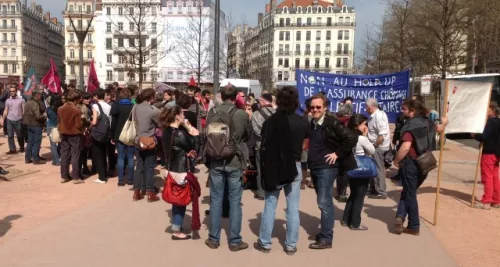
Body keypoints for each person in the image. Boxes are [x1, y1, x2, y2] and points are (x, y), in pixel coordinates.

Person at [253, 87, 309, 255]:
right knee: (293, 207)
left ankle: (265, 242)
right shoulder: (302, 121)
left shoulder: (271, 121)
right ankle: (291, 245)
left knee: (270, 205)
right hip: (295, 165)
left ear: (278, 101)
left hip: (274, 166)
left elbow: (264, 142)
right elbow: (305, 145)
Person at [307, 93, 357, 249]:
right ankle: (324, 232)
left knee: (324, 202)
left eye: (318, 107)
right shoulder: (312, 123)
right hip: (315, 167)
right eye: (312, 107)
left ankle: (327, 238)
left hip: (327, 168)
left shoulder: (331, 122)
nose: (315, 109)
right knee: (322, 202)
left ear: (325, 107)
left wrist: (337, 154)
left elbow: (351, 137)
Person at [393, 99, 448, 235]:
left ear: (412, 112)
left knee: (410, 194)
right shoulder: (428, 122)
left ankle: (414, 226)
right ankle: (400, 216)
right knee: (408, 191)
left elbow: (405, 147)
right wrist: (445, 122)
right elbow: (439, 128)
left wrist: (396, 160)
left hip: (411, 164)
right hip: (425, 163)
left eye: (404, 109)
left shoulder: (410, 127)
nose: (402, 111)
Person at [205, 84, 249, 252]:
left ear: (221, 96)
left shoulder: (212, 113)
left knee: (215, 200)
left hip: (215, 161)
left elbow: (206, 134)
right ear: (235, 97)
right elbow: (248, 135)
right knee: (235, 202)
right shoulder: (242, 114)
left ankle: (213, 239)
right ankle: (235, 241)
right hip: (235, 161)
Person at [161, 106, 200, 240]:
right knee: (181, 201)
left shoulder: (165, 131)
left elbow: (183, 148)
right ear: (177, 116)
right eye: (182, 114)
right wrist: (189, 128)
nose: (184, 116)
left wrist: (185, 151)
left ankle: (176, 226)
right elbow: (195, 145)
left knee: (177, 200)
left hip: (170, 167)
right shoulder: (179, 133)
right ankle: (176, 230)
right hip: (180, 169)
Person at [341, 114, 376, 230]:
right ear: (357, 125)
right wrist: (366, 136)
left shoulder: (346, 135)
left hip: (350, 166)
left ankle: (346, 219)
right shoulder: (361, 138)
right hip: (361, 168)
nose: (365, 126)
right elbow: (372, 150)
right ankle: (355, 223)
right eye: (364, 124)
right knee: (359, 196)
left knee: (353, 193)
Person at [133, 88, 161, 202]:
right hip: (149, 140)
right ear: (151, 97)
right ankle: (150, 193)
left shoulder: (135, 107)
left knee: (139, 167)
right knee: (149, 168)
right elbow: (160, 124)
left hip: (137, 139)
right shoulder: (153, 110)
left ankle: (137, 192)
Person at [472, 102, 500, 210]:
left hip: (489, 152)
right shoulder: (498, 121)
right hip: (497, 153)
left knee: (487, 177)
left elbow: (484, 136)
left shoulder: (491, 122)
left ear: (492, 109)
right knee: (494, 177)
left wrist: (475, 135)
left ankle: (487, 201)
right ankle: (496, 200)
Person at [251, 93, 276, 200]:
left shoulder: (256, 114)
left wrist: (263, 136)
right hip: (274, 145)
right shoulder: (278, 113)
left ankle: (261, 192)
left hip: (260, 145)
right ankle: (273, 190)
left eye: (260, 101)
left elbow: (255, 130)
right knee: (273, 168)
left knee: (261, 169)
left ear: (265, 101)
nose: (258, 103)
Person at [365, 98, 391, 199]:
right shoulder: (372, 117)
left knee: (378, 169)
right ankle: (373, 189)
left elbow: (382, 136)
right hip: (373, 145)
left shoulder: (379, 116)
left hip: (378, 147)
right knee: (373, 168)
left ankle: (381, 191)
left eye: (366, 107)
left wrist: (374, 146)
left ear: (370, 107)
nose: (365, 109)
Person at [110, 88, 135, 187]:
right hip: (131, 135)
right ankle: (130, 179)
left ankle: (120, 180)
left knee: (120, 157)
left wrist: (112, 135)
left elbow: (113, 123)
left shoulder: (116, 106)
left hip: (119, 134)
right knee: (130, 157)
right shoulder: (133, 107)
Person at [58, 90, 84, 184]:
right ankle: (76, 177)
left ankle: (64, 176)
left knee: (64, 155)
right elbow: (78, 125)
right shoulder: (77, 110)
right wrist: (83, 120)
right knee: (75, 155)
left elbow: (59, 121)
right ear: (75, 100)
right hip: (74, 134)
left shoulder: (60, 109)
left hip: (64, 133)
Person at [91, 89, 112, 184]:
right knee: (104, 153)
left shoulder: (95, 106)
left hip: (97, 133)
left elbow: (94, 121)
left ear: (96, 96)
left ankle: (102, 177)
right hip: (106, 132)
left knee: (98, 154)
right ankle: (105, 173)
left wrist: (90, 124)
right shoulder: (108, 106)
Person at [335, 103, 354, 202]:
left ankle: (339, 192)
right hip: (347, 149)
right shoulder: (350, 121)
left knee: (340, 171)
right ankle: (342, 193)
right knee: (346, 172)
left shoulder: (336, 121)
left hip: (337, 149)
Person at [22, 90, 47, 164]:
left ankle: (28, 158)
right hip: (35, 125)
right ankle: (36, 159)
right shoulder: (35, 104)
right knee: (37, 142)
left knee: (30, 142)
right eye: (40, 95)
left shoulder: (28, 102)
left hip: (29, 125)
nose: (41, 96)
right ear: (37, 95)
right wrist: (45, 116)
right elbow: (38, 116)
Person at [2, 86, 25, 154]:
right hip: (9, 119)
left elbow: (24, 110)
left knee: (19, 135)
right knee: (10, 135)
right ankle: (12, 149)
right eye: (10, 91)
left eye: (13, 91)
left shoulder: (21, 100)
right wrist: (3, 119)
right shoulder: (7, 100)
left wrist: (23, 119)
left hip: (19, 119)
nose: (12, 92)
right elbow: (6, 110)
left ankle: (21, 146)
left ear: (16, 91)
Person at [47, 95, 63, 166]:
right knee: (60, 143)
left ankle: (56, 161)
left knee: (53, 145)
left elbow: (48, 116)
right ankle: (59, 159)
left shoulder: (49, 109)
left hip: (51, 126)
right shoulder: (61, 109)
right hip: (59, 126)